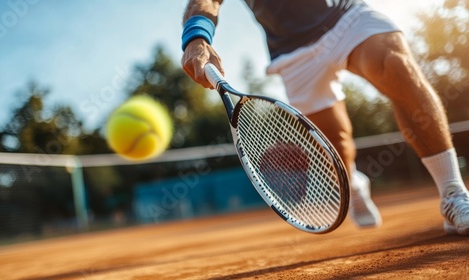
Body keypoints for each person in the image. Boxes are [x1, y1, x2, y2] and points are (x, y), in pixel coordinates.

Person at [180, 0, 469, 235]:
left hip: (343, 15)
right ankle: (353, 185)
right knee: (335, 146)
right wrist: (196, 37)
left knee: (395, 64)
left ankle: (452, 192)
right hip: (291, 50)